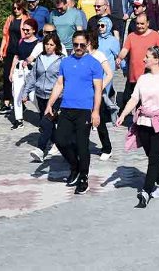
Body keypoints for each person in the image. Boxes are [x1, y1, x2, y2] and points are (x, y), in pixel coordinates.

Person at [118, 46, 159, 208]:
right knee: (152, 157)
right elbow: (134, 100)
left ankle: (146, 191)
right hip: (143, 124)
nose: (143, 59)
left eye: (147, 57)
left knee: (154, 158)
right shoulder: (143, 79)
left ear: (156, 59)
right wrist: (123, 115)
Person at [44, 31, 103, 195]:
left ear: (87, 44)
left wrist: (96, 111)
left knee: (82, 145)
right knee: (60, 140)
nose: (78, 48)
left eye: (82, 45)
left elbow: (98, 89)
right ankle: (74, 166)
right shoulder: (66, 62)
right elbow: (59, 84)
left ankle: (84, 178)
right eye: (75, 44)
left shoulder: (94, 64)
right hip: (66, 107)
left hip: (84, 109)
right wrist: (50, 104)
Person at [22, 33, 64, 162]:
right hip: (40, 95)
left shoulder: (62, 60)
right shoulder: (40, 58)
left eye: (51, 44)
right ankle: (61, 145)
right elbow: (33, 77)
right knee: (47, 124)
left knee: (46, 122)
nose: (49, 47)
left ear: (56, 46)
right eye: (46, 44)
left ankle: (40, 149)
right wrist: (25, 93)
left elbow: (64, 81)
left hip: (55, 96)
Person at [116, 13, 159, 112]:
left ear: (147, 23)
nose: (139, 26)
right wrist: (119, 58)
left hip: (149, 76)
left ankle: (139, 123)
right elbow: (125, 49)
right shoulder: (131, 36)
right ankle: (126, 118)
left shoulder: (155, 35)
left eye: (142, 24)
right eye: (137, 24)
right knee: (127, 98)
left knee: (143, 103)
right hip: (133, 75)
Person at [86, 30, 115, 161]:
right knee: (83, 121)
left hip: (97, 94)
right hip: (84, 94)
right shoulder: (79, 56)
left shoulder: (99, 55)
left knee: (100, 122)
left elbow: (109, 73)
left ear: (90, 42)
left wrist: (100, 87)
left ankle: (107, 148)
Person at [0, 0, 30, 114]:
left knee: (19, 77)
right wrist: (1, 49)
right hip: (10, 50)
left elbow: (29, 35)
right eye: (14, 8)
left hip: (21, 52)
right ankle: (6, 102)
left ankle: (21, 102)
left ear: (22, 8)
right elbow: (5, 35)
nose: (16, 10)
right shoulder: (10, 19)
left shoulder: (27, 19)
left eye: (18, 8)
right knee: (7, 76)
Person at [9, 18, 41, 129]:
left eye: (28, 30)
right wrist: (12, 70)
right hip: (19, 70)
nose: (25, 32)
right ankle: (18, 119)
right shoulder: (21, 41)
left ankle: (43, 113)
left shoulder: (38, 43)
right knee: (16, 94)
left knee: (32, 96)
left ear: (34, 30)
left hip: (31, 71)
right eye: (24, 29)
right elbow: (16, 56)